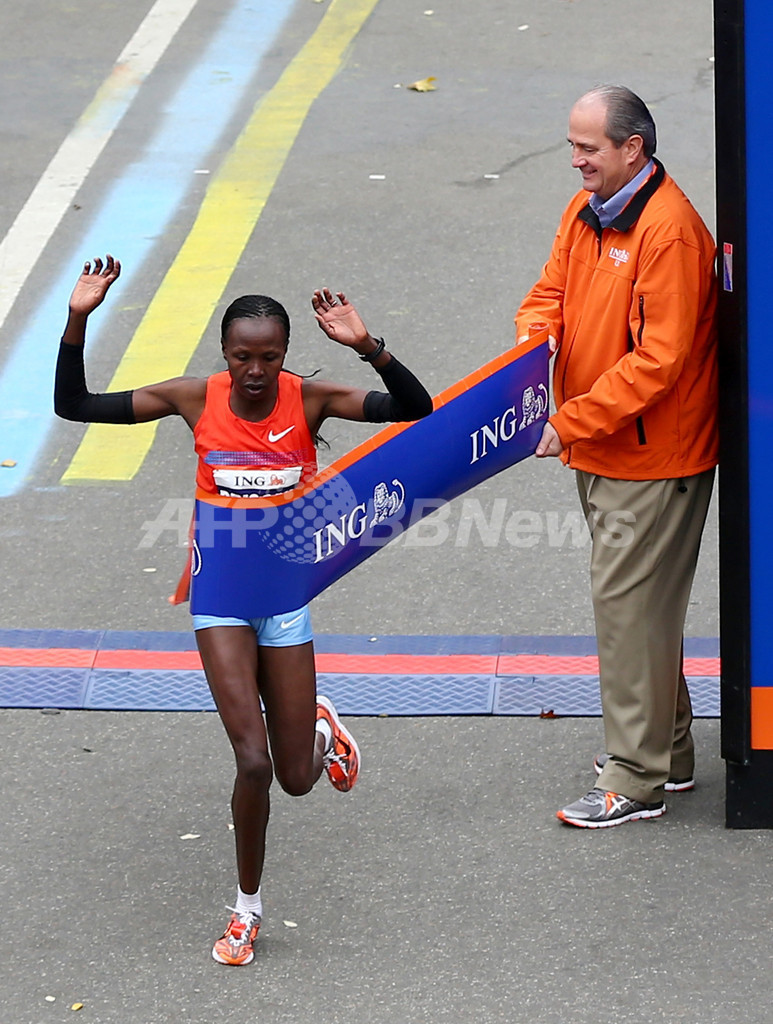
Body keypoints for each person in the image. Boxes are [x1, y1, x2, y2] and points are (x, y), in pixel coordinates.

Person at [54, 255, 433, 963]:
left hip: (283, 601)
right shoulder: (194, 397)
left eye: (269, 357)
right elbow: (76, 406)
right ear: (223, 356)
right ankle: (246, 910)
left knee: (294, 777)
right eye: (241, 357)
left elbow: (415, 409)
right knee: (253, 763)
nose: (255, 371)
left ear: (286, 355)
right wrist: (78, 318)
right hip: (221, 597)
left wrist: (366, 345)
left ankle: (321, 734)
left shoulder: (308, 401)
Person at [515, 85, 718, 828]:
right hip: (604, 445)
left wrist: (568, 420)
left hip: (651, 456)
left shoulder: (668, 233)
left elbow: (658, 362)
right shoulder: (587, 212)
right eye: (573, 146)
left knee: (627, 611)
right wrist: (533, 346)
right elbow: (547, 294)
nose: (574, 162)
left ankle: (634, 781)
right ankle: (668, 753)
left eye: (587, 148)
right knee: (643, 611)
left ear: (632, 148)